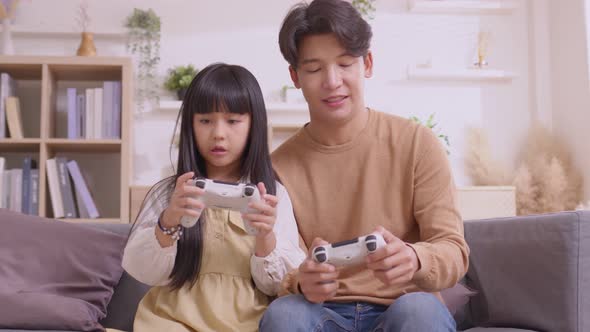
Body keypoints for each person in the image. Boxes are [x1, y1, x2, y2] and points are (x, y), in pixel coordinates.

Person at [259, 0, 470, 331]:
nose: (332, 81)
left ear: (367, 63)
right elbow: (282, 267)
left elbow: (454, 251)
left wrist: (416, 259)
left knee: (419, 312)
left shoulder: (417, 143)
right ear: (295, 76)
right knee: (285, 314)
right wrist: (303, 281)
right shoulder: (277, 167)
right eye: (314, 69)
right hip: (322, 313)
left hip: (403, 306)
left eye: (345, 64)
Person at [122, 63, 306, 332]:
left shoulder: (272, 194)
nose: (218, 133)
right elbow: (141, 270)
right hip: (170, 321)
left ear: (253, 125)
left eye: (233, 121)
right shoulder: (170, 193)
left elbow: (279, 284)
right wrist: (169, 220)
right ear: (190, 125)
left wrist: (265, 236)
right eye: (205, 121)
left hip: (247, 324)